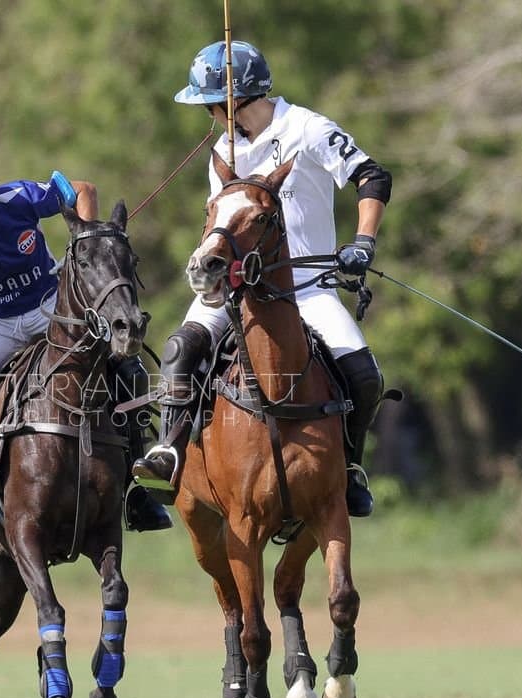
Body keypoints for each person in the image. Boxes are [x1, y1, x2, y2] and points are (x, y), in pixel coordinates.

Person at [132, 40, 393, 517]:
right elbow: (218, 221)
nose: (208, 115)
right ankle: (168, 453)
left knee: (364, 374)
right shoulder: (222, 148)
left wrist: (363, 242)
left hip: (307, 289)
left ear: (232, 101)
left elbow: (372, 177)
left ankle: (349, 466)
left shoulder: (308, 129)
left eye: (210, 104)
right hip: (233, 290)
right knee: (179, 350)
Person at [0, 146, 171, 547]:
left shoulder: (19, 199)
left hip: (49, 307)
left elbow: (82, 189)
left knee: (125, 370)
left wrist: (87, 237)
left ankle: (136, 487)